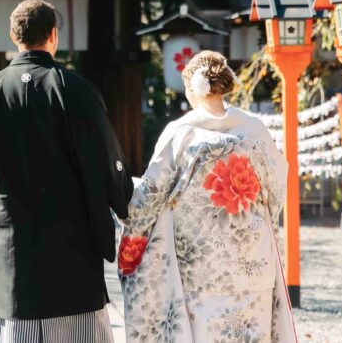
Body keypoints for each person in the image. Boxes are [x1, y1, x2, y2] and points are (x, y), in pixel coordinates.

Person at [0, 0, 134, 342]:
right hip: (72, 247)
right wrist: (121, 199)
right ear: (54, 35)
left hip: (11, 247)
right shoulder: (76, 91)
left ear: (12, 35)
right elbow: (109, 165)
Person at [117, 50, 297, 343]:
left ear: (192, 88)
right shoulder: (254, 130)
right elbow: (276, 190)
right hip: (252, 258)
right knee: (251, 332)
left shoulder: (181, 133)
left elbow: (150, 195)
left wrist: (130, 222)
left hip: (201, 265)